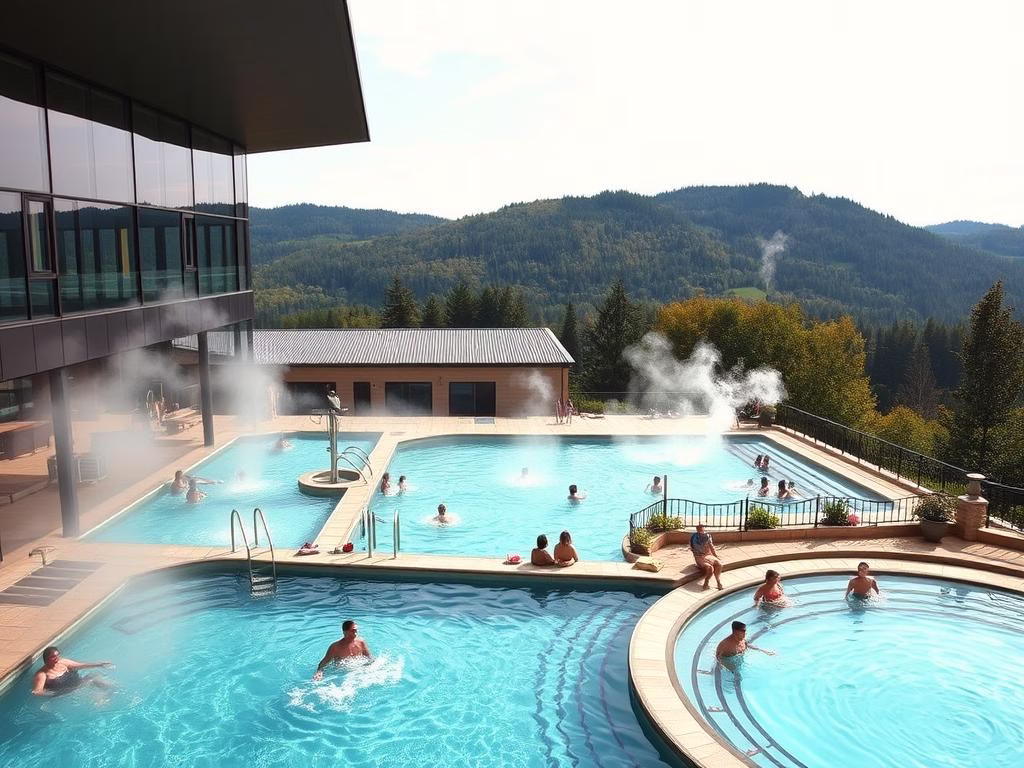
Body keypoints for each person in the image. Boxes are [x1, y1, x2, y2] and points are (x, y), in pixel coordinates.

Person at [32, 646, 112, 696]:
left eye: (57, 655)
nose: (57, 658)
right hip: (66, 694)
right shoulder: (42, 674)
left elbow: (80, 665)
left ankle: (110, 692)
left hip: (79, 685)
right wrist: (52, 693)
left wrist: (99, 664)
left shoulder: (63, 662)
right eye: (53, 657)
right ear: (46, 659)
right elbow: (38, 691)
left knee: (94, 676)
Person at [690, 523, 723, 589]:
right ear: (696, 529)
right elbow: (692, 548)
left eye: (701, 527)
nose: (700, 529)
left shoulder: (707, 536)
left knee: (719, 564)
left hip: (708, 555)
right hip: (699, 557)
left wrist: (715, 556)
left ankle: (718, 582)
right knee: (710, 568)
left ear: (703, 528)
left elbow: (711, 547)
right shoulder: (693, 537)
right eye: (699, 528)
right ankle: (706, 582)